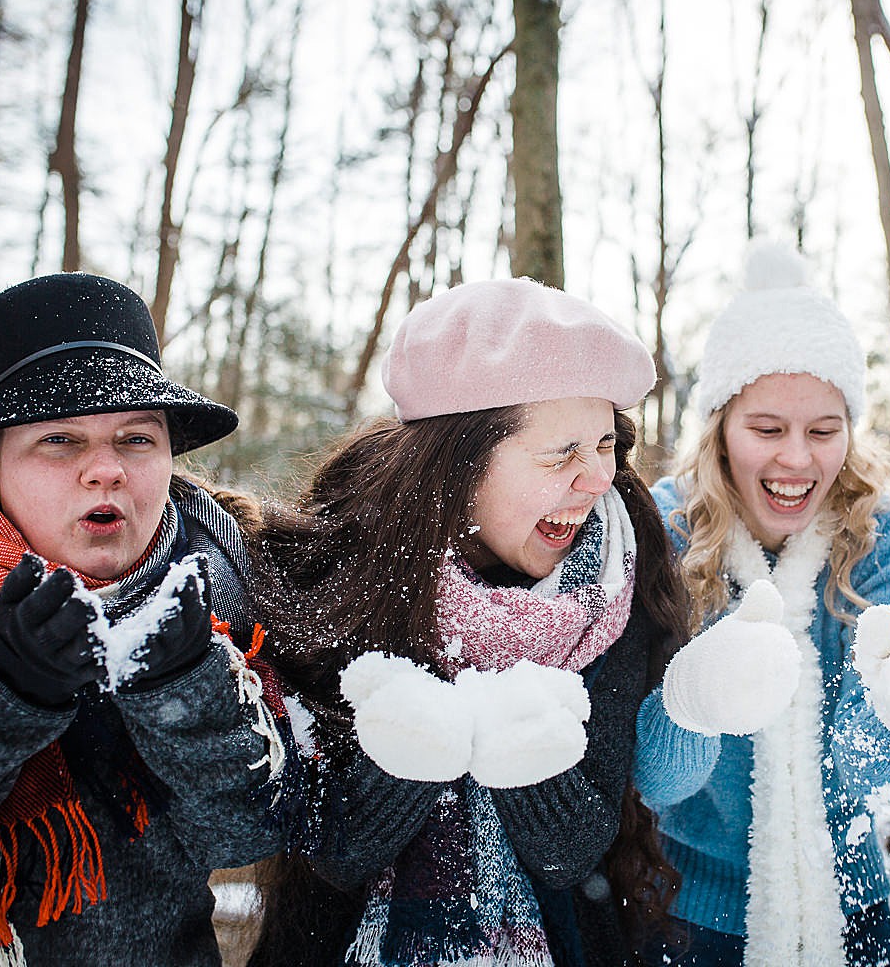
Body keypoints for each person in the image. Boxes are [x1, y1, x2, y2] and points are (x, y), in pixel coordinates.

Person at [243, 278, 689, 967]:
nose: (599, 478)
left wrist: (508, 717)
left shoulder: (610, 592)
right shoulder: (339, 575)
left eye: (604, 444)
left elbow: (573, 850)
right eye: (560, 453)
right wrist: (418, 741)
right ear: (457, 466)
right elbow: (332, 850)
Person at [0, 273, 290, 966]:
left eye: (135, 439)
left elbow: (248, 836)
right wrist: (2, 690)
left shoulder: (215, 578)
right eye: (60, 440)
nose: (105, 470)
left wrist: (185, 686)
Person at [632, 242, 890, 967]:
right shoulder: (660, 530)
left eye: (824, 431)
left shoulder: (884, 535)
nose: (797, 460)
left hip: (847, 907)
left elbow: (870, 784)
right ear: (721, 429)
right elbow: (655, 780)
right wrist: (697, 704)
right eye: (767, 429)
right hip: (680, 906)